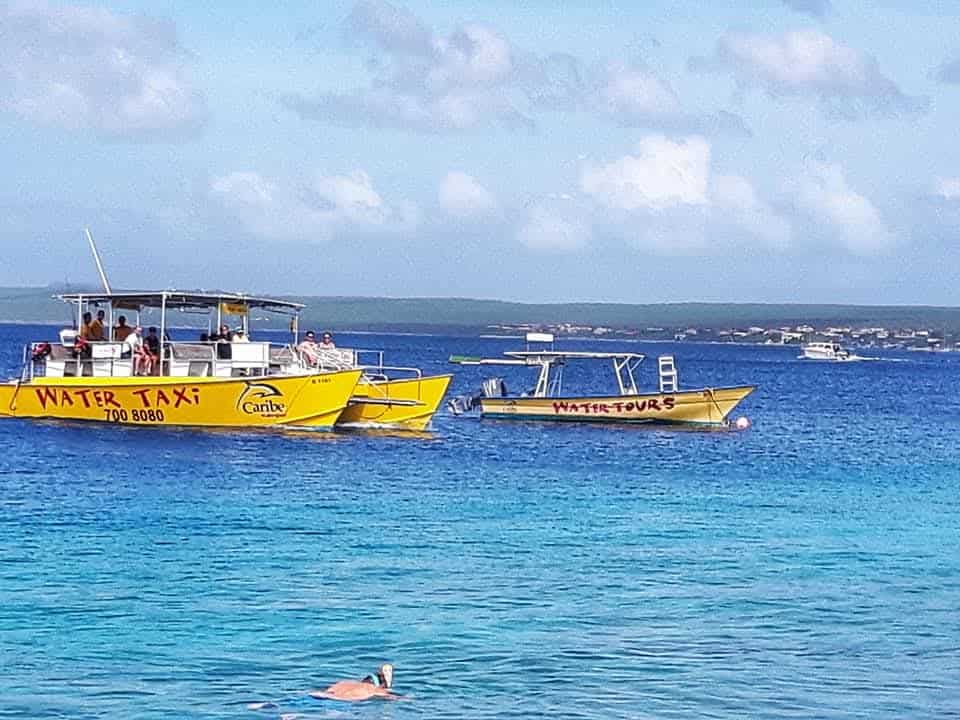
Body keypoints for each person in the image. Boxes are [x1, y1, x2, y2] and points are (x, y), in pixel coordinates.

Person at [309, 664, 398, 702]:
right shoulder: (373, 689)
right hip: (338, 702)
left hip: (316, 695)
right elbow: (393, 697)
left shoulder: (346, 683)